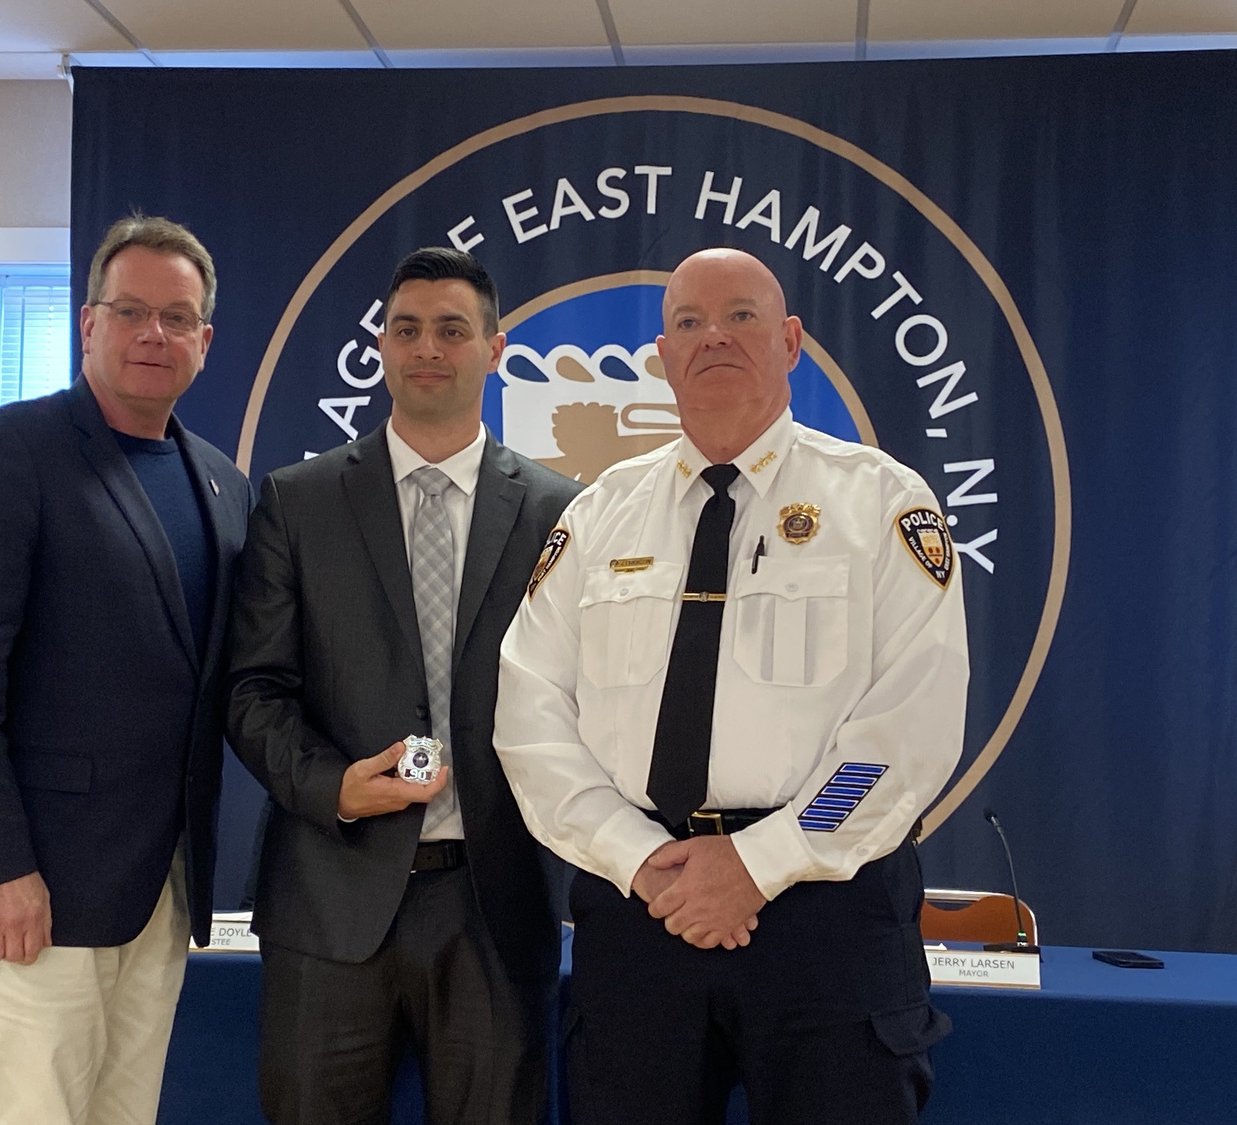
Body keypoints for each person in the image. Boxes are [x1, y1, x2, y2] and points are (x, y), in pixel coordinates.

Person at [494, 247, 968, 1124]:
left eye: (742, 316)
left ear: (791, 341)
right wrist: (637, 857)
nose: (715, 336)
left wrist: (761, 861)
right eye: (689, 323)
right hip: (644, 907)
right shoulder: (598, 515)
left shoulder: (881, 503)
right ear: (664, 358)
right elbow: (530, 719)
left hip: (825, 912)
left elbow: (906, 733)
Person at [225, 247, 582, 1125]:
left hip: (496, 905)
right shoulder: (296, 500)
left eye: (453, 330)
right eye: (408, 328)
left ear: (495, 351)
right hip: (328, 903)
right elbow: (253, 688)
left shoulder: (562, 512)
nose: (429, 346)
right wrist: (331, 786)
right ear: (381, 347)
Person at [0, 214, 252, 1125]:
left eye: (177, 317)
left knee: (121, 1113)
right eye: (131, 310)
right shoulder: (11, 451)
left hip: (162, 886)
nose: (155, 334)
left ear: (205, 341)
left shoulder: (220, 483)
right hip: (38, 888)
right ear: (88, 324)